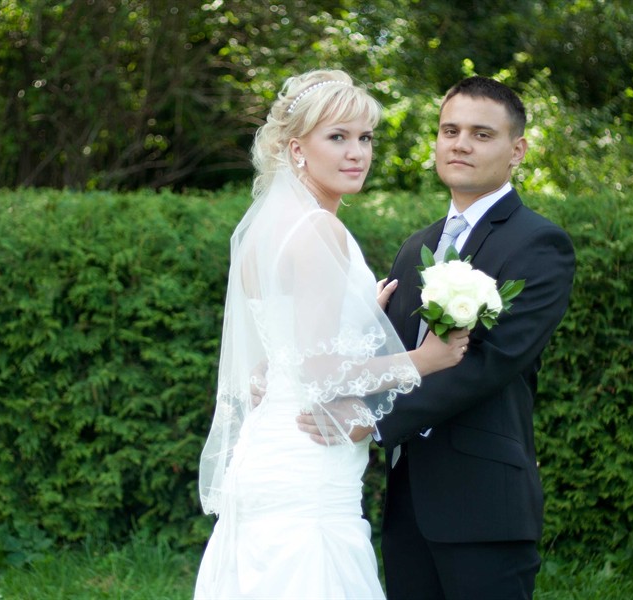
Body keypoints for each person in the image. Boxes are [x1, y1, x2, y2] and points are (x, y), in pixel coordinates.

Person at [194, 69, 469, 599]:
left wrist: (360, 314)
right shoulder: (319, 230)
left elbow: (282, 353)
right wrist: (425, 359)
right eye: (338, 137)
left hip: (271, 446)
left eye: (365, 138)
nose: (356, 153)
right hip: (308, 458)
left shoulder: (267, 231)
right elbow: (319, 373)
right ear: (297, 149)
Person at [301, 76, 576, 599]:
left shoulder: (539, 243)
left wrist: (371, 420)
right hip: (407, 503)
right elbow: (391, 355)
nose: (460, 144)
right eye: (450, 131)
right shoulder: (416, 246)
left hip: (484, 504)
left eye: (481, 134)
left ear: (517, 150)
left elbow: (489, 363)